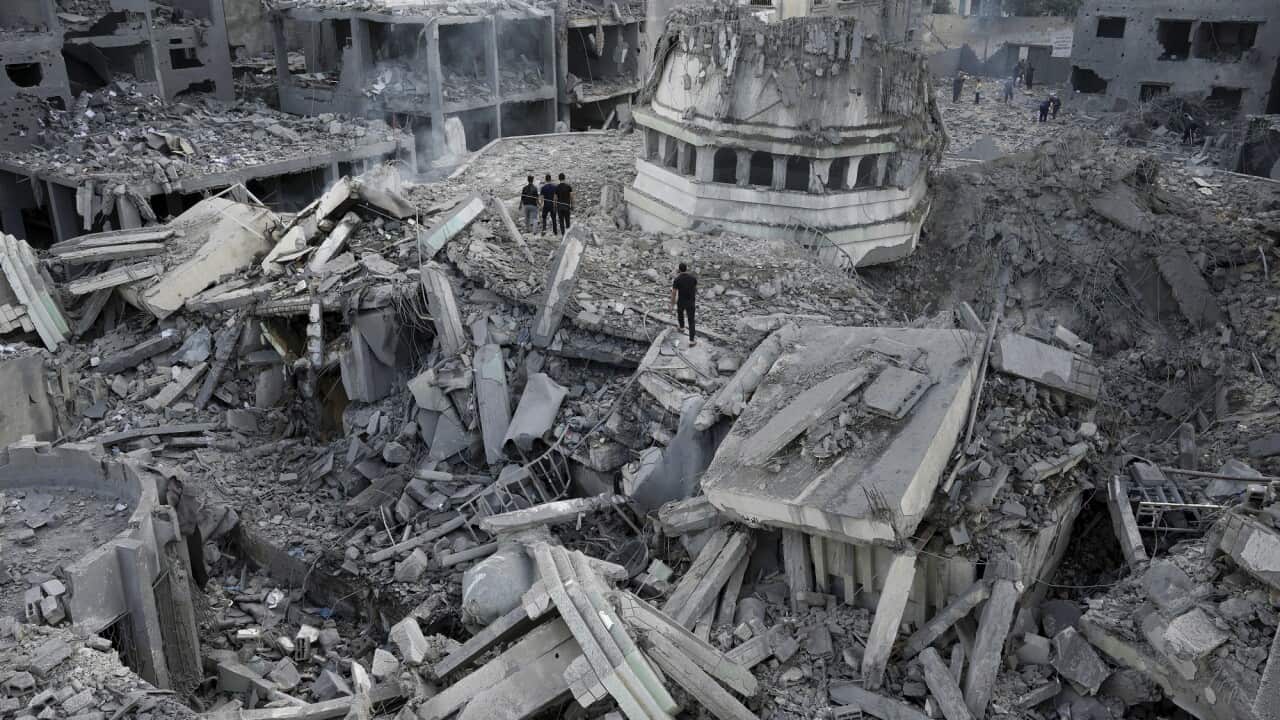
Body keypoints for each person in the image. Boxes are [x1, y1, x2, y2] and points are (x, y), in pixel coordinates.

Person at [671, 262, 697, 346]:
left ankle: (682, 328)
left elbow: (674, 293)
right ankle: (692, 341)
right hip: (691, 302)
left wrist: (672, 304)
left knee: (680, 314)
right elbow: (694, 288)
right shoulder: (693, 278)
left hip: (681, 301)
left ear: (679, 270)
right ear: (686, 269)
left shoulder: (677, 279)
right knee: (691, 321)